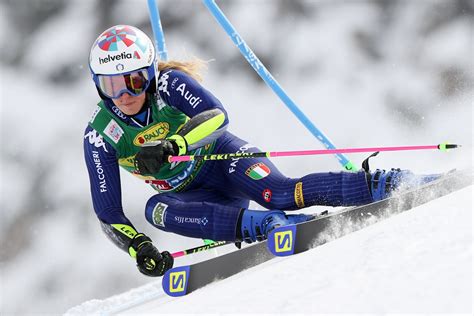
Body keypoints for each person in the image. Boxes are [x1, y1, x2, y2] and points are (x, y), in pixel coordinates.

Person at [84, 25, 439, 277]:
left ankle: (387, 183)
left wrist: (176, 144)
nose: (124, 94)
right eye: (110, 85)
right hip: (193, 197)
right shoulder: (101, 135)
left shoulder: (168, 84)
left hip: (223, 161)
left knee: (279, 192)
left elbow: (217, 117)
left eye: (133, 81)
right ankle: (270, 227)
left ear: (148, 73)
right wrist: (139, 249)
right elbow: (108, 212)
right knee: (155, 210)